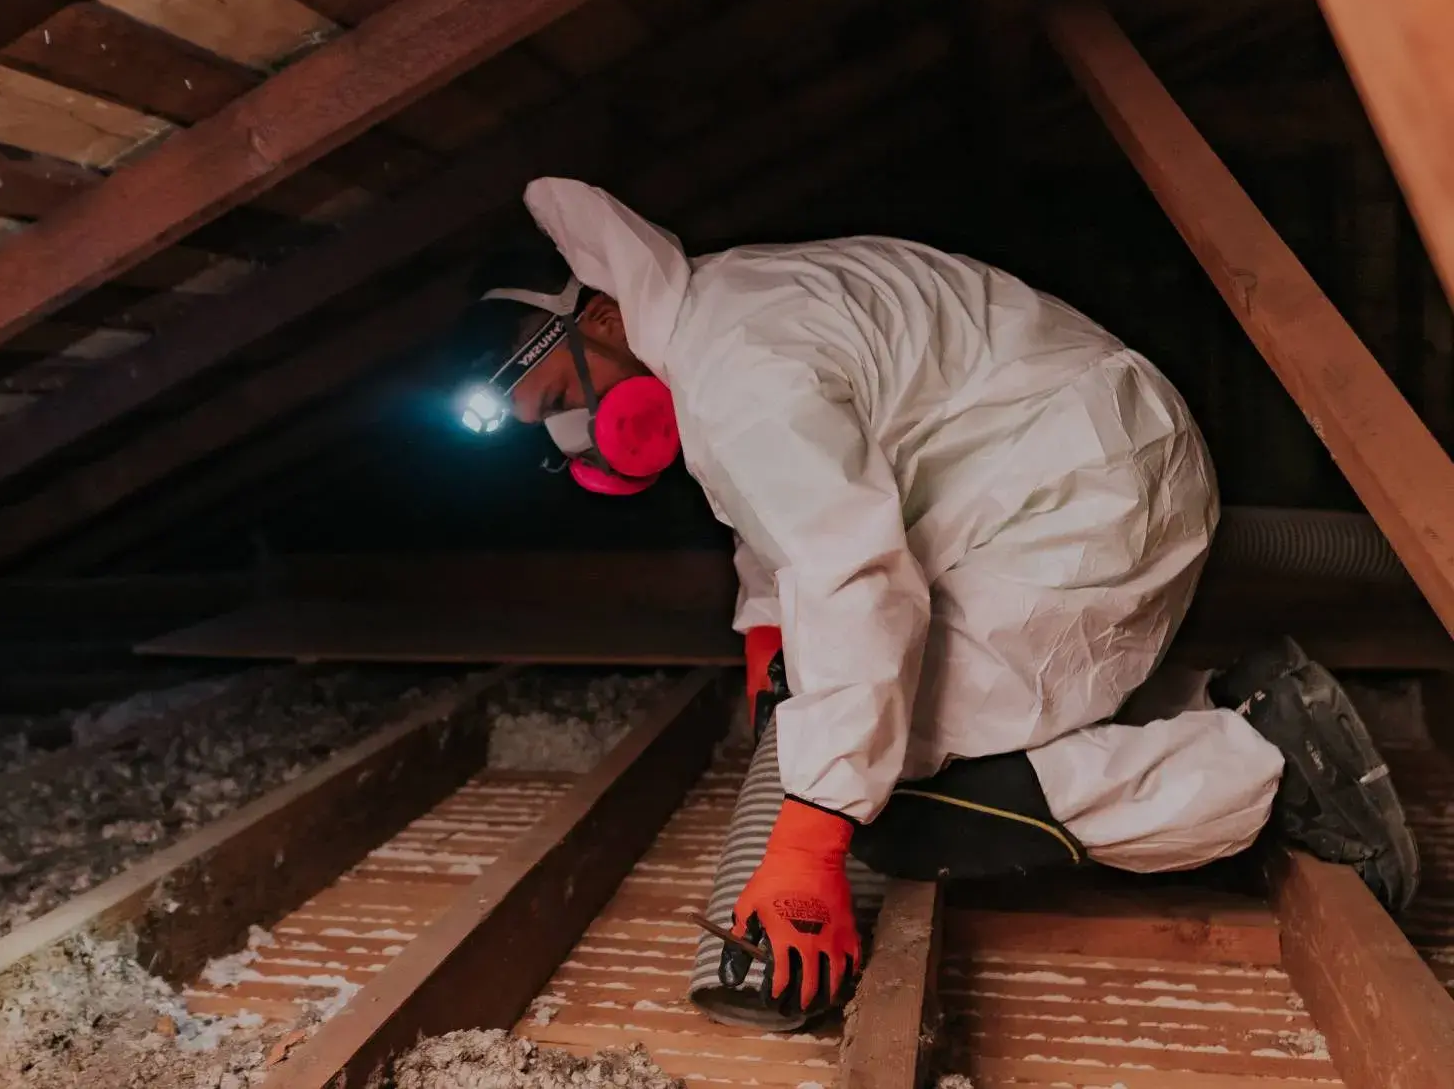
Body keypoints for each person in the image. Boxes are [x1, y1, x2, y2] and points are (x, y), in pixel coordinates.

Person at [450, 177, 1418, 1019]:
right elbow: (777, 523)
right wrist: (769, 653)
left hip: (1071, 501)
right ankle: (1233, 701)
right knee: (868, 738)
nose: (580, 442)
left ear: (603, 319)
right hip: (1062, 471)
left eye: (557, 405)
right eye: (555, 436)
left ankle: (1264, 763)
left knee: (898, 804)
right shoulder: (722, 314)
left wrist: (808, 838)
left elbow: (850, 572)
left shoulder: (735, 372)